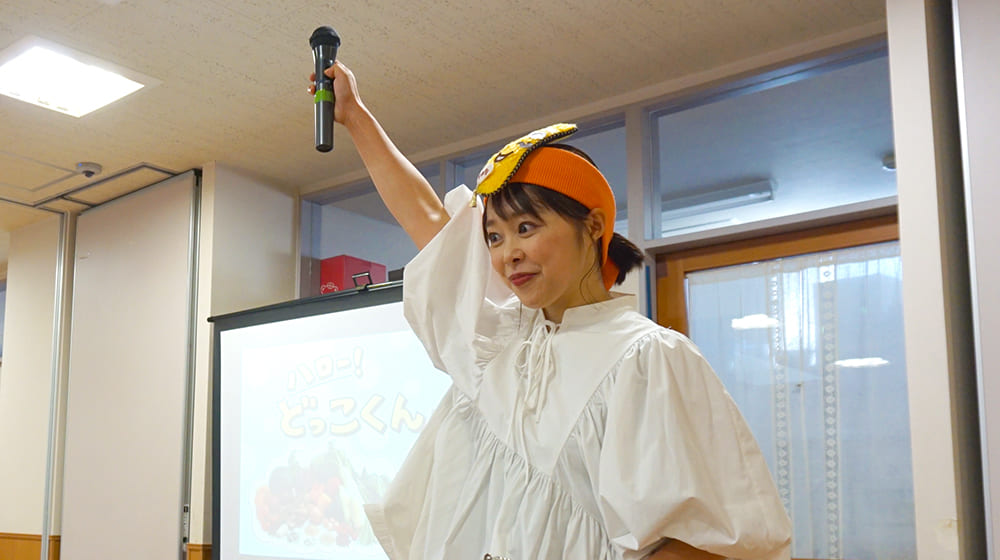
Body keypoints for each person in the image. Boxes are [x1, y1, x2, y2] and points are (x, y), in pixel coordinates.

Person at [308, 61, 792, 560]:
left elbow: (712, 541)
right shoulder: (497, 344)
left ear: (593, 225)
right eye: (494, 236)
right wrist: (355, 116)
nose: (507, 254)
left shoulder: (646, 359)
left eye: (526, 228)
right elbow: (430, 222)